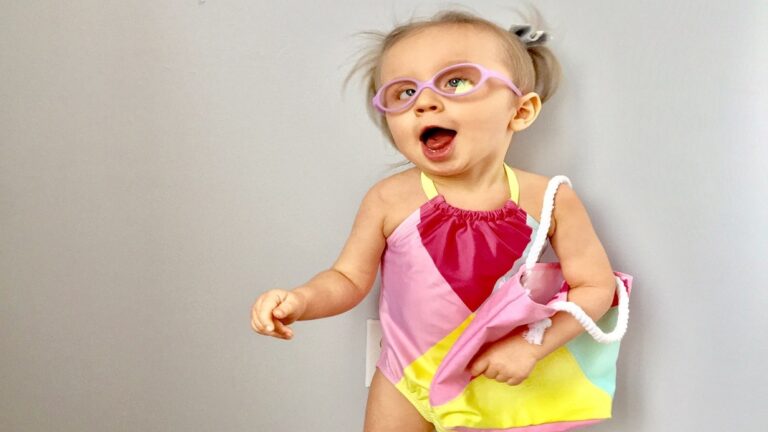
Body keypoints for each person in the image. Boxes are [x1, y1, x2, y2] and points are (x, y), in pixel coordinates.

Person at [251, 8, 620, 432]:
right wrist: (300, 300)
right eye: (404, 93)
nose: (424, 101)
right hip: (405, 381)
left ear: (519, 111)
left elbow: (596, 286)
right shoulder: (390, 199)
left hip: (497, 380)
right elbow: (348, 279)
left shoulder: (550, 198)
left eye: (457, 81)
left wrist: (531, 347)